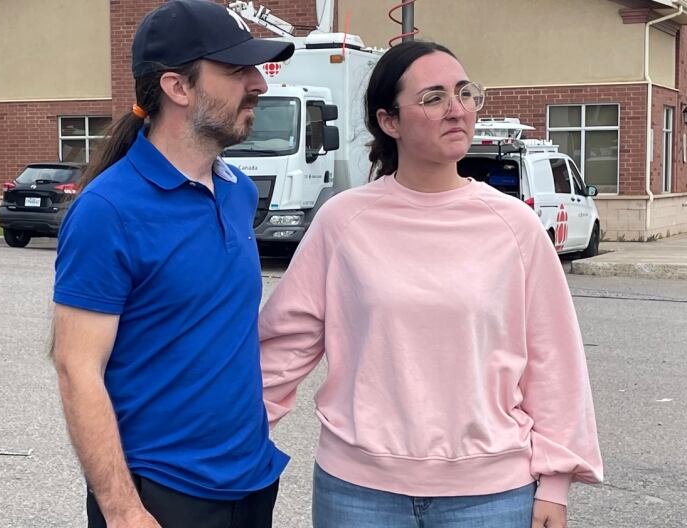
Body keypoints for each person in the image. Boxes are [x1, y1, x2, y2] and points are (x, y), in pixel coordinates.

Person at [259, 41, 603, 528]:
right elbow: (284, 345)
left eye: (465, 93)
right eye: (433, 97)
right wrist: (237, 437)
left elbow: (553, 359)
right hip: (358, 492)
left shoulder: (514, 226)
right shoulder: (343, 221)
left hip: (491, 495)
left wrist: (555, 481)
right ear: (389, 121)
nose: (457, 110)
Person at [51, 2, 294, 527]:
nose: (258, 84)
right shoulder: (108, 210)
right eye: (236, 71)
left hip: (250, 480)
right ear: (177, 88)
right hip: (162, 495)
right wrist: (121, 510)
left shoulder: (237, 192)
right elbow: (77, 369)